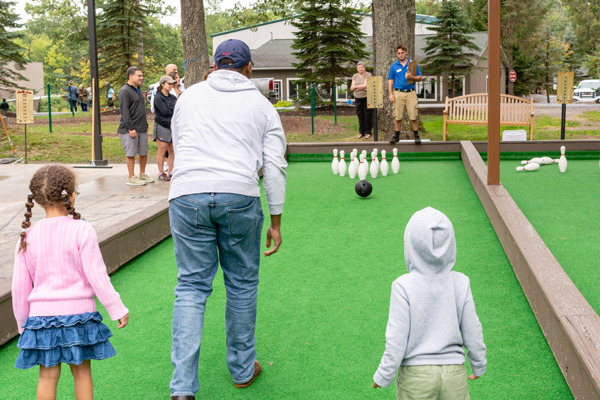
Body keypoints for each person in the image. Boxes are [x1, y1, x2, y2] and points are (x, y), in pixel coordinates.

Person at [168, 38, 287, 399]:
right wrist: (277, 221)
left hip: (187, 194)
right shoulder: (262, 105)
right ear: (249, 68)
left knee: (190, 287)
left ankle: (182, 388)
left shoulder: (187, 97)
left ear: (215, 66)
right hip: (239, 195)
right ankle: (241, 369)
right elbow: (276, 166)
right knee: (241, 284)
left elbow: (178, 143)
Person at [12, 165, 129, 400]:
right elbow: (97, 274)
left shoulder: (27, 237)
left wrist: (23, 324)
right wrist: (116, 307)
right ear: (71, 195)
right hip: (80, 316)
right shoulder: (82, 230)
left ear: (36, 199)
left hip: (41, 319)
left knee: (47, 376)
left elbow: (19, 288)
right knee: (82, 372)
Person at [372, 207, 487, 399]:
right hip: (454, 375)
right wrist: (479, 364)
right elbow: (473, 330)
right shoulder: (460, 282)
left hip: (416, 378)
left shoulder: (402, 285)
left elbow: (397, 338)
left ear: (410, 244)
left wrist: (384, 374)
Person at [117, 66, 153, 186]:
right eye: (139, 76)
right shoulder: (125, 91)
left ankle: (142, 174)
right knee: (131, 153)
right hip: (129, 129)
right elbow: (125, 111)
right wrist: (130, 128)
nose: (141, 78)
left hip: (141, 127)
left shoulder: (137, 90)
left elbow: (140, 109)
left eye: (142, 76)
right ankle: (131, 176)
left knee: (143, 152)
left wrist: (145, 124)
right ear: (131, 76)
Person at [388, 45, 423, 144]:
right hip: (398, 93)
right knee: (397, 116)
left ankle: (416, 135)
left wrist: (411, 77)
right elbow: (390, 80)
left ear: (406, 52)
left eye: (402, 53)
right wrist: (391, 94)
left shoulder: (412, 64)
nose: (400, 55)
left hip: (411, 93)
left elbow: (420, 78)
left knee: (413, 115)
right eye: (398, 53)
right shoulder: (394, 66)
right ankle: (396, 135)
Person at [154, 75, 177, 181]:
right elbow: (165, 111)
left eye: (172, 84)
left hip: (172, 126)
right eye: (169, 84)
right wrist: (173, 109)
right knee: (162, 150)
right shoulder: (158, 97)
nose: (171, 86)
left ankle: (171, 170)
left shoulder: (172, 97)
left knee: (172, 150)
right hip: (162, 126)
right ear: (163, 84)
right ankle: (161, 172)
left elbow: (177, 109)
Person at [350, 61, 373, 139]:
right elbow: (351, 88)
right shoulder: (355, 76)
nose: (360, 69)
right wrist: (361, 87)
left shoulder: (368, 75)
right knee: (360, 115)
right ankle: (361, 132)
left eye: (362, 67)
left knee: (367, 115)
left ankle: (368, 132)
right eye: (359, 68)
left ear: (364, 68)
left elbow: (366, 85)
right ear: (357, 69)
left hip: (367, 97)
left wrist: (356, 87)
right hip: (358, 98)